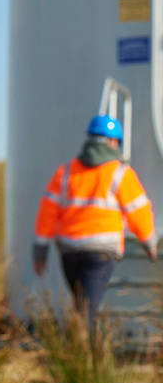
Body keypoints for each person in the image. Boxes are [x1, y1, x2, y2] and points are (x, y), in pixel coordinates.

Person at [33, 114, 157, 330]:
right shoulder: (120, 173)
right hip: (101, 253)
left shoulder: (66, 172)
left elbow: (47, 212)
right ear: (113, 142)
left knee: (81, 306)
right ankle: (81, 356)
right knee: (86, 311)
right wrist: (149, 243)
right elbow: (138, 211)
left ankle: (80, 352)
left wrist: (40, 251)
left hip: (69, 252)